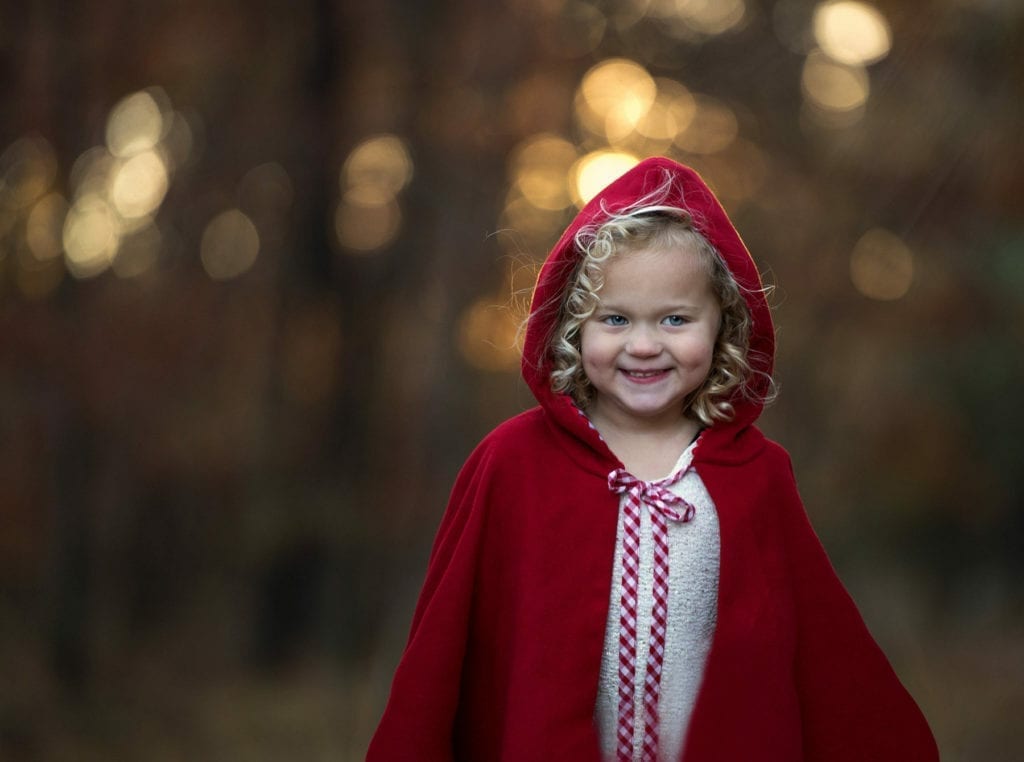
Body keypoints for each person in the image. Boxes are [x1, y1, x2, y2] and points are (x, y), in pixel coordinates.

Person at [367, 157, 938, 761]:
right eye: (614, 319)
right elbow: (445, 656)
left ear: (723, 327)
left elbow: (822, 657)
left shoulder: (756, 475)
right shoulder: (511, 464)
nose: (643, 345)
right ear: (573, 329)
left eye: (675, 318)